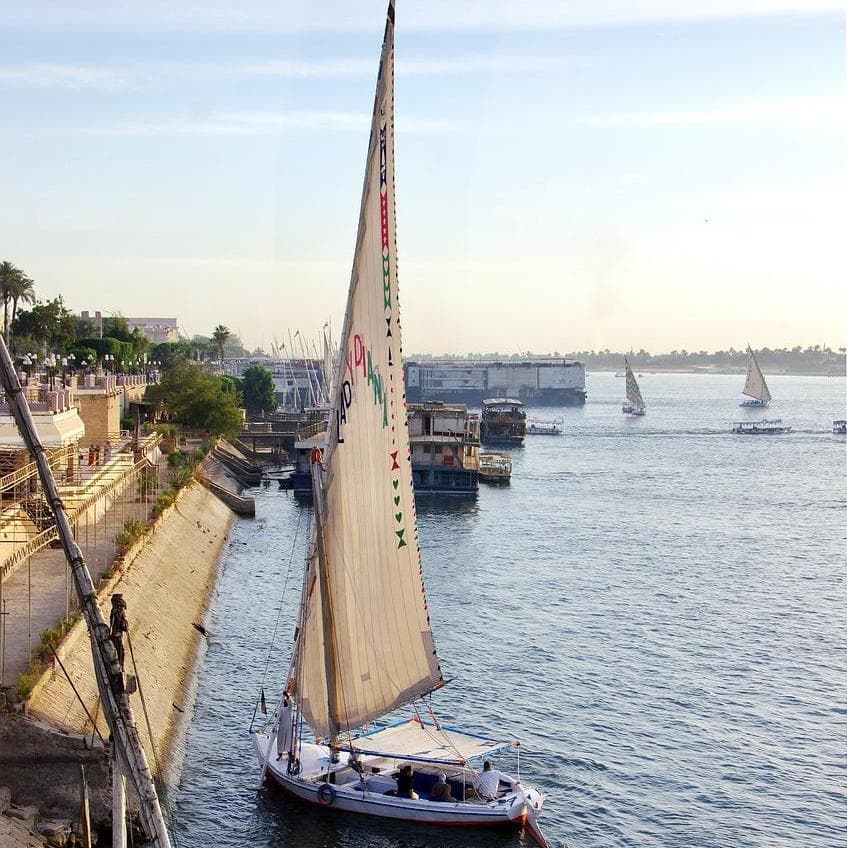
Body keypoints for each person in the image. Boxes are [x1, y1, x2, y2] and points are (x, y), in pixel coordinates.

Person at [276, 694, 293, 760]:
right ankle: (280, 755)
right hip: (281, 727)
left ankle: (289, 754)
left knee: (288, 742)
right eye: (284, 701)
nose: (285, 702)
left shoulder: (289, 708)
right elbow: (279, 718)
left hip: (288, 728)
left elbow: (290, 702)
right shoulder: (281, 709)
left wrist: (287, 696)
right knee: (280, 741)